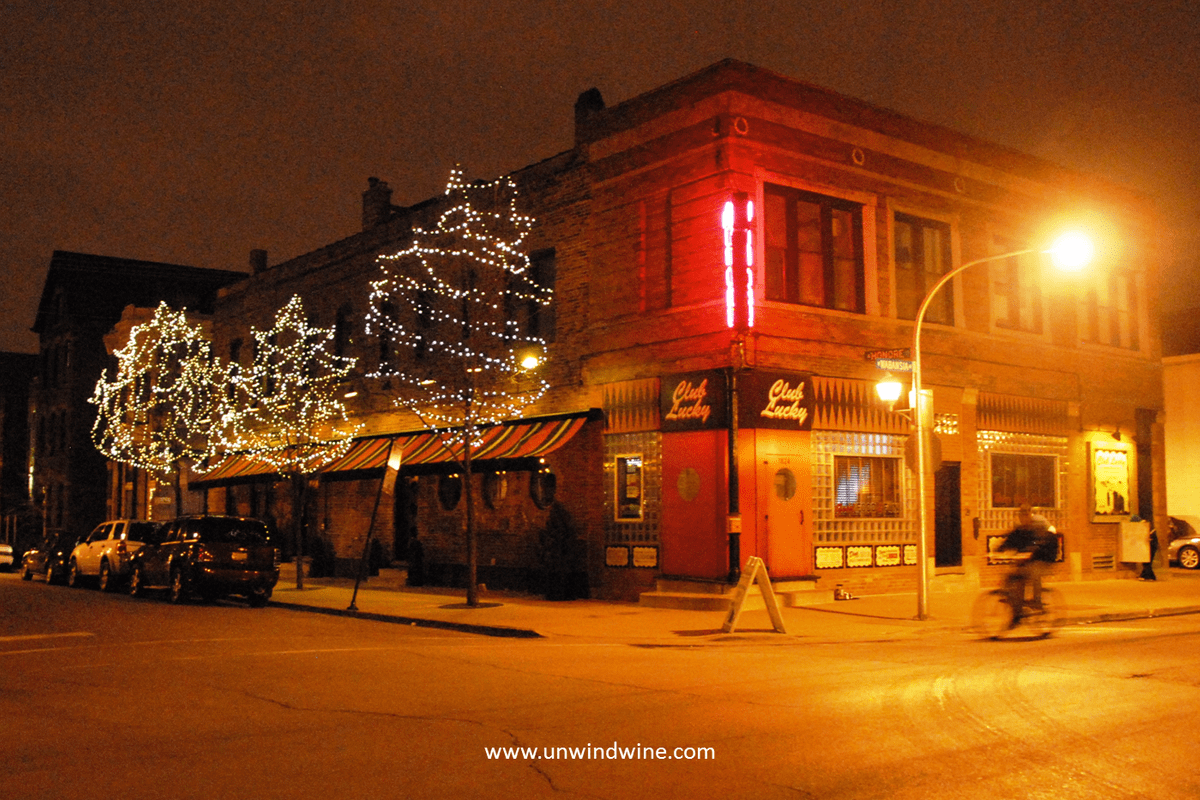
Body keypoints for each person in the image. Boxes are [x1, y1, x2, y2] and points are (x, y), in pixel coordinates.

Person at [1000, 504, 1058, 626]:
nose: (1023, 517)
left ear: (1030, 514)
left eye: (1026, 514)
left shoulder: (1038, 524)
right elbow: (1010, 539)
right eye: (1022, 514)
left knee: (1033, 573)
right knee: (1014, 577)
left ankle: (1037, 601)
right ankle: (1016, 608)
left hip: (1043, 557)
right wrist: (996, 552)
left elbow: (1046, 537)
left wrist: (1034, 549)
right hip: (1029, 559)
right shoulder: (1020, 527)